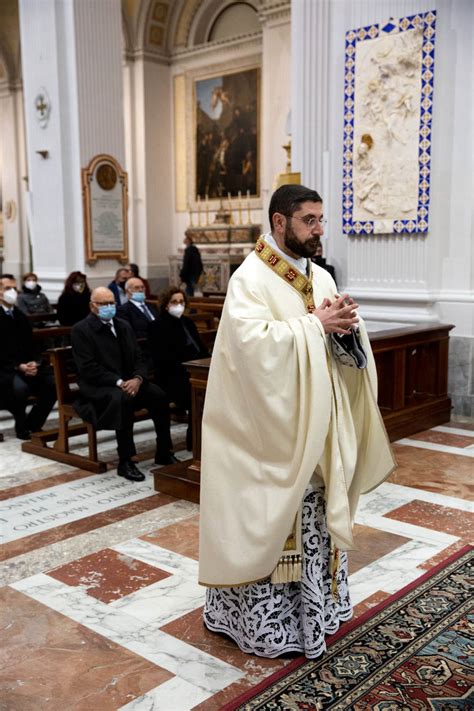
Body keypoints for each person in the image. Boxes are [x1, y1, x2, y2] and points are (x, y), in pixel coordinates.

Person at [199, 184, 395, 659]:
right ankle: (267, 627)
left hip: (320, 433)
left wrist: (348, 330)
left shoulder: (321, 278)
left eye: (321, 220)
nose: (319, 229)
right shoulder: (251, 279)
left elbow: (340, 348)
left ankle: (320, 612)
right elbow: (250, 350)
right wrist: (315, 328)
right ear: (280, 222)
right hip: (270, 439)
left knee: (318, 527)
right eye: (310, 220)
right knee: (275, 525)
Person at [71, 287, 177, 482]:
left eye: (112, 303)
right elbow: (88, 368)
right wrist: (120, 382)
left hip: (130, 381)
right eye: (104, 304)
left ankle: (164, 451)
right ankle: (125, 460)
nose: (109, 307)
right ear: (92, 306)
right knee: (123, 399)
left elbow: (139, 357)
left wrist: (137, 379)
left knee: (159, 396)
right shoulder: (81, 330)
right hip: (100, 386)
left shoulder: (123, 325)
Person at [148, 287, 209, 450]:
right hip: (171, 377)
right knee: (198, 394)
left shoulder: (187, 322)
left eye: (181, 302)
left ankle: (202, 438)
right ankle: (195, 440)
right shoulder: (157, 326)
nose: (179, 305)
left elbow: (201, 349)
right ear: (166, 305)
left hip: (193, 372)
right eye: (174, 302)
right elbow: (163, 359)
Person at [0, 274, 56, 439]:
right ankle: (21, 426)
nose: (12, 292)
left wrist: (34, 362)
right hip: (5, 369)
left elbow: (32, 345)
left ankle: (34, 423)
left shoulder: (20, 316)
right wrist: (18, 366)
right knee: (20, 389)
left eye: (14, 288)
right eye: (7, 288)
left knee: (52, 384)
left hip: (25, 366)